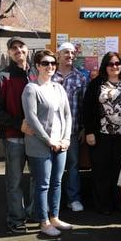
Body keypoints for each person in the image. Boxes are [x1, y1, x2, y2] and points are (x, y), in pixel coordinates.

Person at [22, 50, 72, 237]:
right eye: (45, 63)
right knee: (43, 184)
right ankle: (43, 221)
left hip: (60, 143)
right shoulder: (31, 89)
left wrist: (66, 138)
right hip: (40, 144)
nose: (50, 66)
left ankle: (55, 217)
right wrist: (49, 140)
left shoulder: (59, 88)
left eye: (52, 63)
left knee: (57, 182)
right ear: (37, 66)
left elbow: (67, 115)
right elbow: (31, 118)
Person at [0, 36, 34, 234]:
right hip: (13, 136)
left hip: (37, 137)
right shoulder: (2, 77)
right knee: (14, 181)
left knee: (38, 178)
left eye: (21, 46)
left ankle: (35, 213)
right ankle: (16, 219)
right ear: (9, 52)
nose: (18, 50)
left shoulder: (36, 72)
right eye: (13, 48)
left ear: (27, 49)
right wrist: (18, 124)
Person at [83, 52, 121, 214]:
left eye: (117, 63)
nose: (114, 67)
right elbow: (87, 108)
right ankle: (103, 206)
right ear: (105, 66)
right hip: (101, 135)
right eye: (110, 64)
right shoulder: (97, 83)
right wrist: (90, 131)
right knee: (101, 171)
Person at [52, 42, 87, 212]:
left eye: (73, 53)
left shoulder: (80, 78)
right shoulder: (49, 75)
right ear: (58, 55)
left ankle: (73, 199)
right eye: (66, 52)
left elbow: (83, 105)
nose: (70, 56)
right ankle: (52, 201)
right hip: (50, 131)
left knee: (73, 165)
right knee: (50, 166)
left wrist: (83, 128)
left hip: (72, 131)